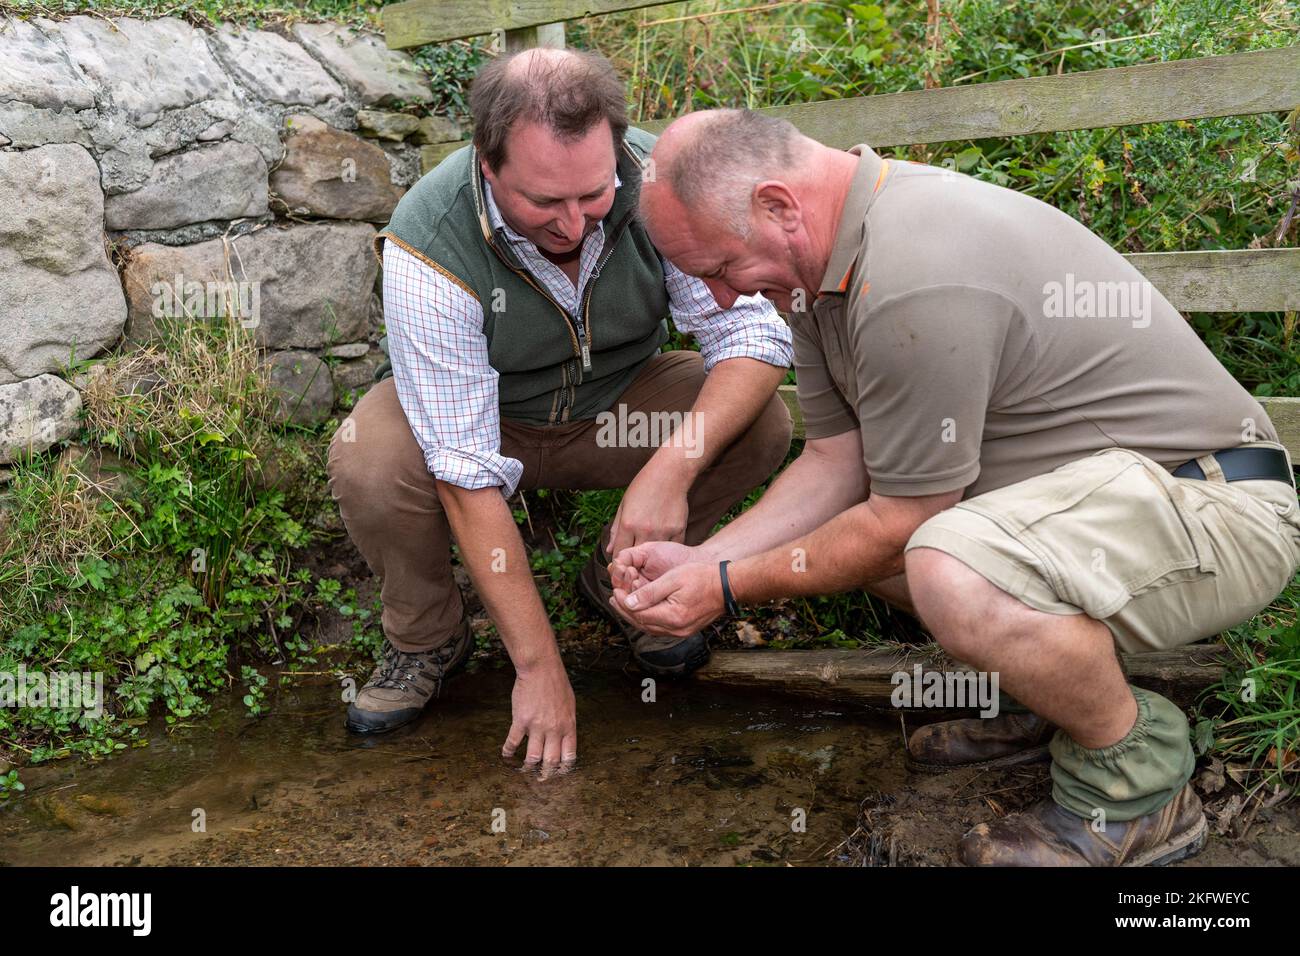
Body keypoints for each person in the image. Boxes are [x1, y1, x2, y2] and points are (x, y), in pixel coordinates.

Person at [610, 107, 1300, 864]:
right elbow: (838, 464)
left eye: (718, 268)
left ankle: (1137, 788)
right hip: (1111, 510)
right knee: (866, 543)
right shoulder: (818, 273)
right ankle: (1047, 699)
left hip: (1217, 508)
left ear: (778, 207)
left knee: (938, 558)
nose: (716, 300)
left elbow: (905, 516)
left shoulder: (913, 270)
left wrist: (729, 587)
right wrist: (703, 563)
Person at [326, 59, 793, 775]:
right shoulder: (429, 241)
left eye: (594, 193)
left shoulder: (662, 184)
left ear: (618, 146)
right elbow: (463, 473)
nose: (574, 224)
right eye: (545, 201)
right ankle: (426, 640)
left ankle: (628, 582)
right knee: (370, 456)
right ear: (487, 163)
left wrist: (673, 466)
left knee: (758, 422)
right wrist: (540, 670)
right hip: (486, 420)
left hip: (618, 407)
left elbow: (754, 336)